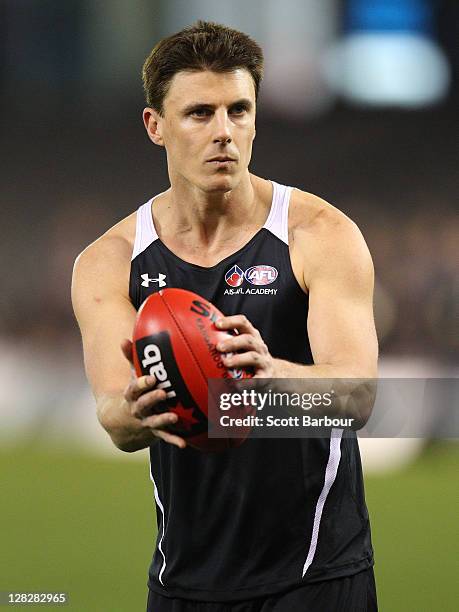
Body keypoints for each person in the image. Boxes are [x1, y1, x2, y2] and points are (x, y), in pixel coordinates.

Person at [72, 21, 378, 612]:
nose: (224, 133)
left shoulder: (318, 234)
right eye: (200, 114)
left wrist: (267, 379)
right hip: (184, 583)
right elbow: (115, 418)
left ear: (257, 118)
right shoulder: (110, 262)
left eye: (239, 110)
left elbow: (358, 395)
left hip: (318, 577)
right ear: (154, 126)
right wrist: (154, 400)